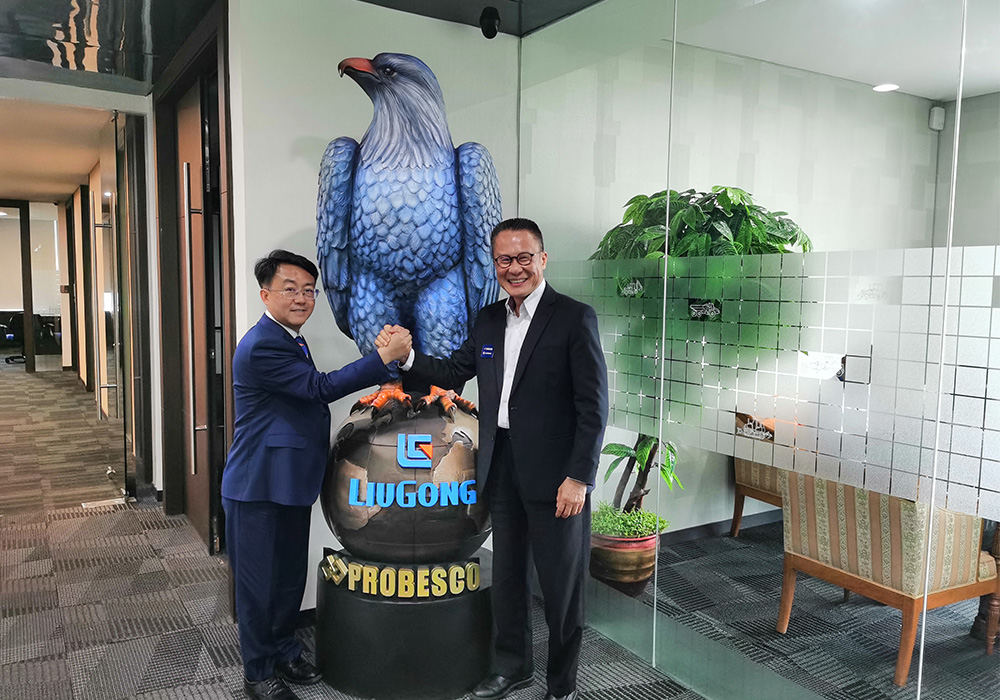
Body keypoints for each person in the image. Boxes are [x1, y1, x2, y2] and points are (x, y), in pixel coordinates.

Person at [378, 218, 608, 700]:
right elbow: (452, 372)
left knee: (562, 588)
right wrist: (407, 356)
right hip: (500, 467)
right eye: (504, 259)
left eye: (524, 257)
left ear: (542, 259)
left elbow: (593, 407)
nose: (514, 268)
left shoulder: (573, 317)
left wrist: (579, 477)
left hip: (556, 478)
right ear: (495, 264)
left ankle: (562, 684)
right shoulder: (487, 320)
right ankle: (512, 666)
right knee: (507, 577)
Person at [222, 250, 412, 700]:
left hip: (289, 481)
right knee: (257, 587)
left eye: (309, 290)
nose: (302, 298)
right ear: (265, 294)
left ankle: (284, 650)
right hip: (257, 485)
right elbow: (318, 388)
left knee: (288, 578)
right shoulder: (262, 344)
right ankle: (258, 673)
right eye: (290, 289)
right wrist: (382, 356)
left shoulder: (292, 338)